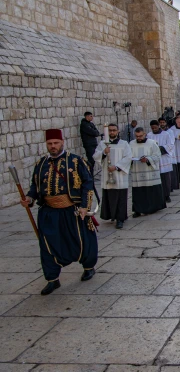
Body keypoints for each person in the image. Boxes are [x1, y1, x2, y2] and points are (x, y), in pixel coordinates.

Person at [21, 129, 98, 295]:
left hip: (73, 210)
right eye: (49, 143)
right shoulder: (40, 164)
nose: (53, 146)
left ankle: (88, 267)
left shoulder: (76, 161)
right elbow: (35, 186)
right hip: (49, 212)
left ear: (62, 142)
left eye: (56, 143)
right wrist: (29, 198)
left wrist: (85, 206)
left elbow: (87, 183)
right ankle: (52, 279)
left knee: (82, 241)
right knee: (48, 246)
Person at [93, 123, 132, 229]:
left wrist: (117, 166)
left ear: (118, 131)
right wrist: (104, 153)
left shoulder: (124, 144)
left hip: (119, 174)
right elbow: (95, 156)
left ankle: (120, 218)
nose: (112, 132)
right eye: (110, 130)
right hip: (107, 174)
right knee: (109, 196)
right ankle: (111, 215)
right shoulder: (102, 144)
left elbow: (128, 157)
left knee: (120, 197)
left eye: (114, 130)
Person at [129, 127, 166, 217]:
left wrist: (147, 159)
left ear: (144, 134)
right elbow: (127, 156)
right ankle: (137, 210)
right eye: (137, 136)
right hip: (137, 171)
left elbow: (157, 156)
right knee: (138, 192)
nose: (139, 138)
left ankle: (152, 208)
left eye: (141, 136)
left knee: (151, 191)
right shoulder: (131, 144)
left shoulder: (152, 143)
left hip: (150, 172)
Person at [147, 120, 175, 203]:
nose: (154, 129)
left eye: (155, 127)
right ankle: (157, 195)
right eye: (152, 128)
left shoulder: (165, 134)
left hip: (163, 159)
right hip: (154, 160)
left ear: (159, 126)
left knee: (165, 178)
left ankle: (166, 195)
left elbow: (170, 145)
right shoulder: (149, 135)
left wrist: (160, 148)